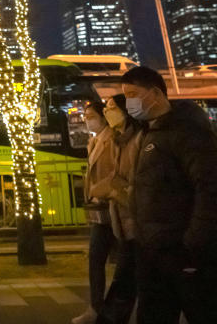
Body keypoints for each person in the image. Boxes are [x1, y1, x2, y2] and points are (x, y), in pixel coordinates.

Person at [122, 66, 217, 324]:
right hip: (154, 252)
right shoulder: (148, 133)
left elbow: (212, 190)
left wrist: (194, 245)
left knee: (212, 315)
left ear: (154, 93)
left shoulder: (188, 131)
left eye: (132, 93)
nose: (128, 102)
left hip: (186, 254)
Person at [97, 94, 143, 324]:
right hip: (124, 226)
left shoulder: (139, 140)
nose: (107, 111)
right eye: (105, 108)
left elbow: (142, 185)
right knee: (127, 285)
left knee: (126, 287)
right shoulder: (117, 140)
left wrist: (115, 190)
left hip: (139, 226)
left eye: (111, 107)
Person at [72, 101, 117, 324]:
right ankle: (98, 308)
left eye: (90, 115)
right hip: (102, 209)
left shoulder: (114, 139)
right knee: (97, 259)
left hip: (115, 207)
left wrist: (99, 189)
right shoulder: (94, 141)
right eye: (85, 116)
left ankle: (101, 309)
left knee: (104, 260)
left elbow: (118, 172)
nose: (86, 119)